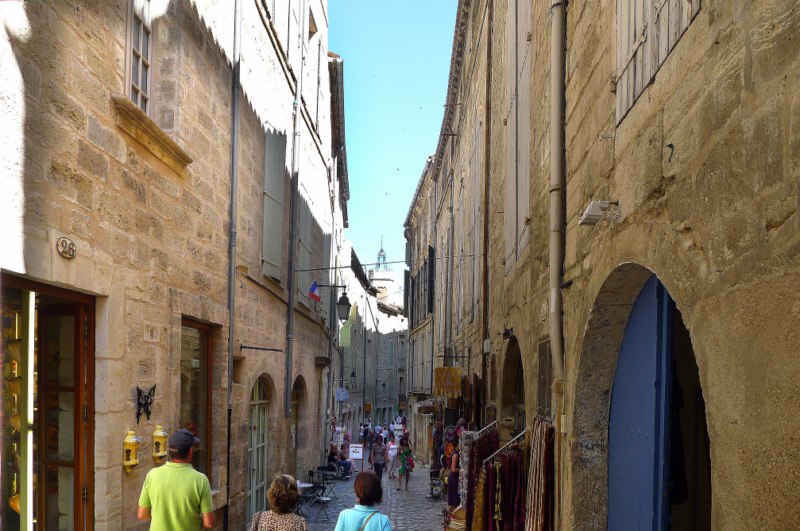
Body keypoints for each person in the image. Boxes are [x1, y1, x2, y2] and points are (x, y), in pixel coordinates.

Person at [137, 429, 214, 530]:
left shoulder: (152, 475)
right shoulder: (201, 480)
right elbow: (209, 523)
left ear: (169, 451)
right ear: (190, 451)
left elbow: (142, 515)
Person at [447, 418, 467, 514]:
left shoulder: (456, 453)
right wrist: (462, 469)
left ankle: (450, 518)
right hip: (453, 479)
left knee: (453, 501)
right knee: (453, 501)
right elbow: (453, 469)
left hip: (454, 479)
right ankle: (450, 518)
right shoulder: (455, 454)